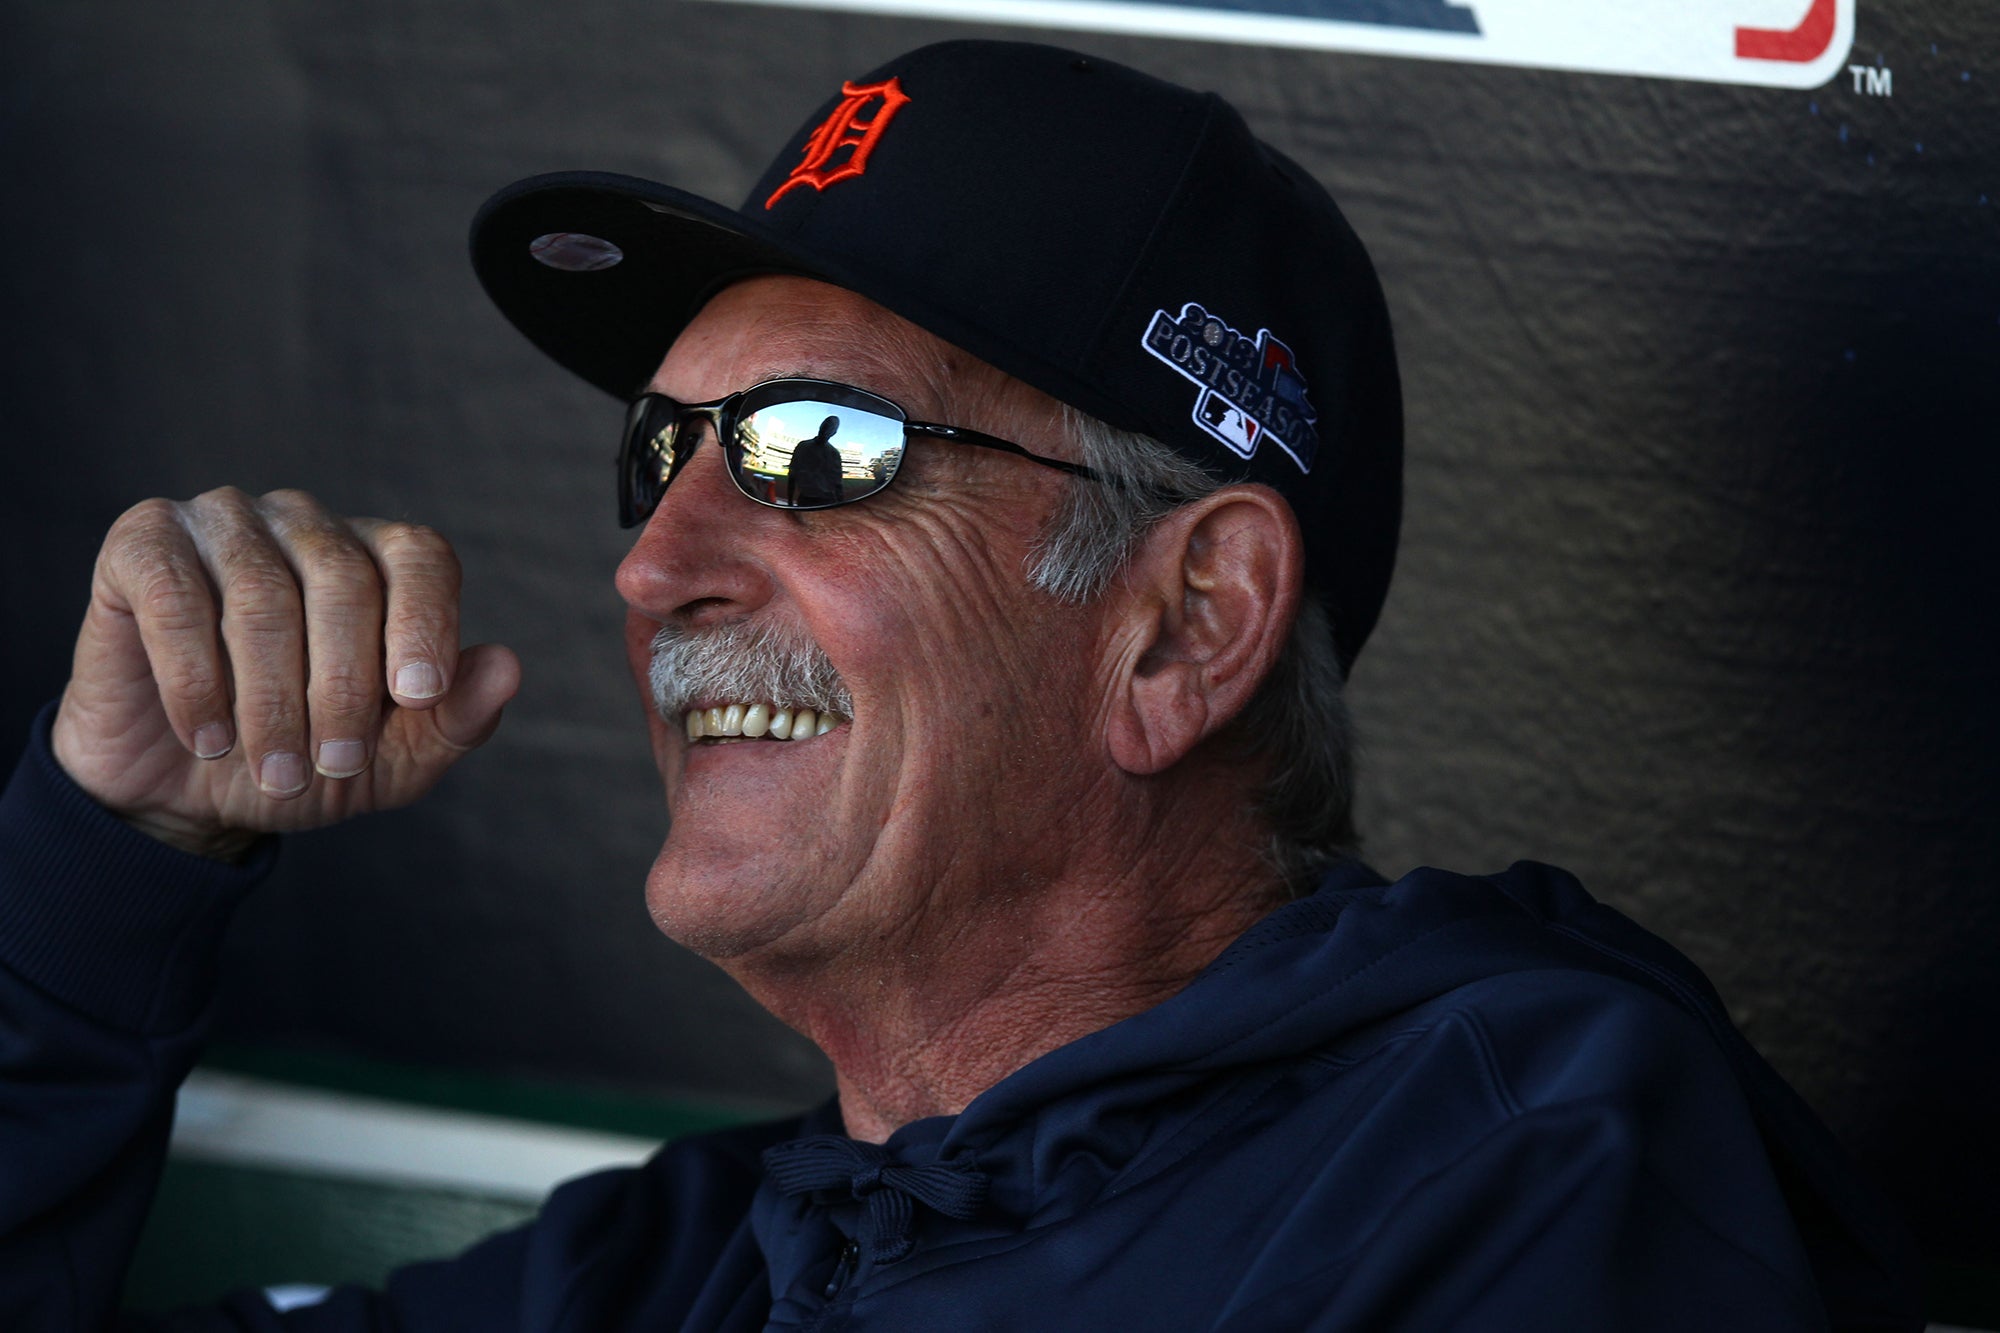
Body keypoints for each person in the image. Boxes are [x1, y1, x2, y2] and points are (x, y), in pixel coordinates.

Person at [0, 39, 1921, 1331]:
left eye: (816, 452)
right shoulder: (697, 1258)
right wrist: (108, 873)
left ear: (1183, 624)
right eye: (656, 456)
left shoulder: (1525, 1163)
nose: (654, 567)